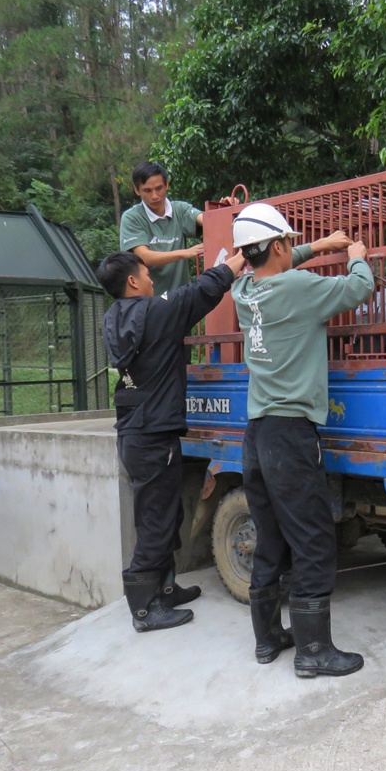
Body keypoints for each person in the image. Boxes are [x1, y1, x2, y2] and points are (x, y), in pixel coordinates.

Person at [230, 203, 373, 677]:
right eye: (289, 242)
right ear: (276, 246)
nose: (294, 248)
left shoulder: (243, 289)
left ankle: (268, 639)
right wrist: (354, 253)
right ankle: (314, 653)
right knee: (313, 539)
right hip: (291, 434)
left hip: (257, 435)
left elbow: (278, 265)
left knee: (271, 536)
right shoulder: (298, 287)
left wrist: (317, 246)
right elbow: (360, 288)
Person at [98, 248, 246, 631]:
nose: (152, 279)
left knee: (165, 515)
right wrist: (239, 258)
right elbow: (200, 291)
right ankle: (145, 609)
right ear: (132, 281)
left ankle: (164, 589)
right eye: (147, 273)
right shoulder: (153, 313)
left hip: (136, 430)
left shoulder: (113, 318)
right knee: (155, 521)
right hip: (151, 433)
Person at [118, 161, 238, 299]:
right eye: (147, 190)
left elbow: (207, 221)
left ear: (167, 185)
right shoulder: (132, 218)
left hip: (179, 301)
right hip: (147, 304)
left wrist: (226, 211)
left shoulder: (180, 209)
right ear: (137, 190)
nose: (155, 196)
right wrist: (185, 253)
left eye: (159, 188)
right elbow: (143, 257)